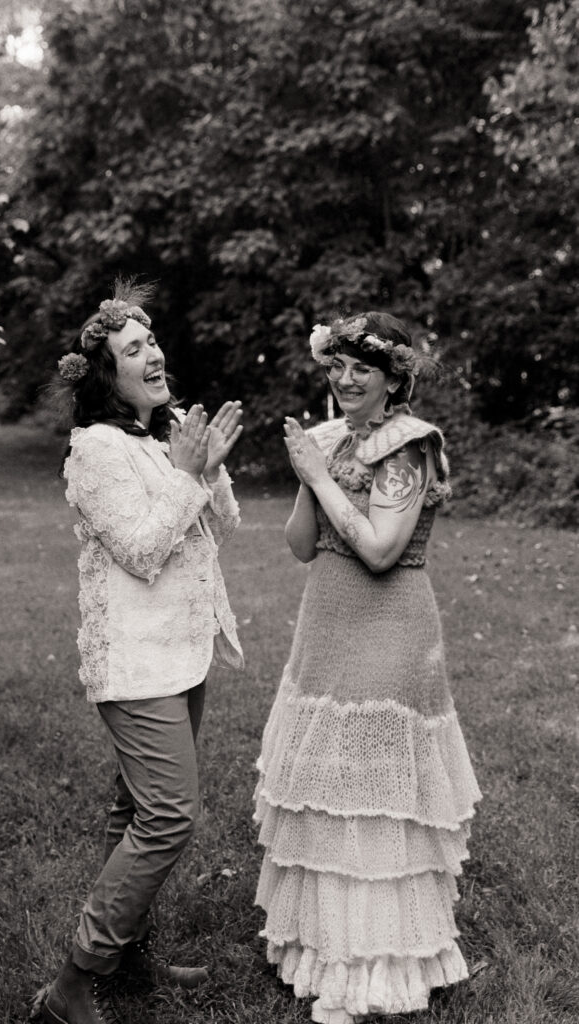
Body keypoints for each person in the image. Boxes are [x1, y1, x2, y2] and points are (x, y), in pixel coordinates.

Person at [253, 312, 481, 1023]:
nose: (344, 380)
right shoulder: (328, 440)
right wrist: (306, 474)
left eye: (361, 368)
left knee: (375, 793)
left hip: (390, 628)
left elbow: (381, 549)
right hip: (325, 625)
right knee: (328, 789)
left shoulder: (408, 446)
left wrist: (321, 476)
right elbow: (300, 545)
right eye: (335, 367)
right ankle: (327, 950)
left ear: (392, 380)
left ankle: (377, 970)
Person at [40, 281, 244, 1024]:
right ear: (109, 376)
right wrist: (188, 473)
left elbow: (218, 525)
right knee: (167, 816)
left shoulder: (154, 441)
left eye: (152, 341)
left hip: (180, 654)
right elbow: (141, 549)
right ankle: (73, 981)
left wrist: (207, 463)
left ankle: (123, 964)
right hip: (134, 663)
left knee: (134, 808)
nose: (154, 352)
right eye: (135, 349)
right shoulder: (95, 450)